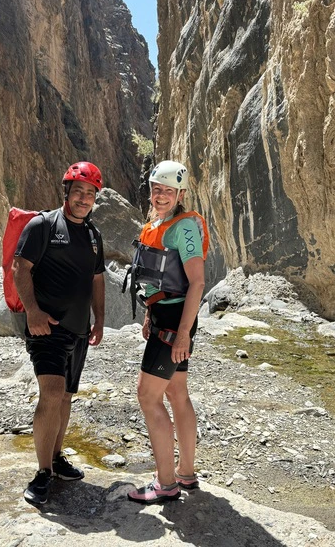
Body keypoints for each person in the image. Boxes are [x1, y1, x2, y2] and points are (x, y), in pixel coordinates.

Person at [13, 162, 106, 505]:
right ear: (66, 192)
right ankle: (42, 473)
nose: (84, 199)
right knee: (51, 393)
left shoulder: (94, 235)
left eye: (90, 194)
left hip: (79, 330)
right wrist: (33, 312)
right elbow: (19, 268)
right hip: (46, 327)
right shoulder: (43, 225)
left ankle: (55, 457)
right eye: (78, 192)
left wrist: (100, 320)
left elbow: (97, 279)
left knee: (65, 396)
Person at [125, 160, 209, 504]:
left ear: (181, 194)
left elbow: (197, 282)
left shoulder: (184, 228)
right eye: (156, 189)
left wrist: (184, 333)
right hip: (164, 316)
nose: (161, 196)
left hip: (176, 322)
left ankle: (165, 483)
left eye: (168, 191)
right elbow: (157, 279)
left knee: (147, 395)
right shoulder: (159, 222)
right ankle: (186, 474)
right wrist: (149, 315)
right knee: (177, 393)